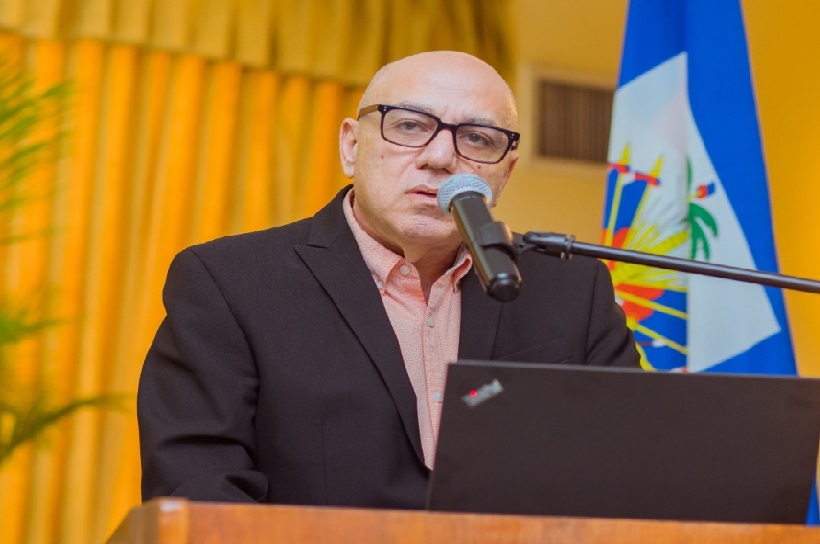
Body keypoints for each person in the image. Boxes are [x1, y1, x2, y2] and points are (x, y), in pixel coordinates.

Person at [137, 51, 639, 508]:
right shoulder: (230, 283)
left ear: (503, 174)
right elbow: (200, 492)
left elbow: (628, 478)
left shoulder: (573, 289)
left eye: (477, 139)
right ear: (351, 146)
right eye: (409, 126)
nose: (440, 158)